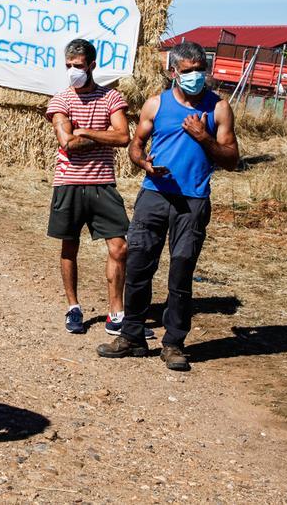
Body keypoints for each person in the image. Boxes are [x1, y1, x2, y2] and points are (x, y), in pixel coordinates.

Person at [97, 42, 239, 371]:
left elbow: (232, 159)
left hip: (193, 200)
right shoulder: (156, 104)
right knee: (138, 266)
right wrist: (143, 163)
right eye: (188, 71)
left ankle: (174, 343)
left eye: (199, 69)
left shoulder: (219, 108)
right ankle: (131, 337)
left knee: (182, 270)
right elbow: (135, 145)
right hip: (154, 195)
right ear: (173, 72)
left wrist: (204, 137)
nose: (195, 76)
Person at [46, 38, 137, 336]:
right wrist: (102, 133)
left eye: (79, 65)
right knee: (69, 246)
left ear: (92, 65)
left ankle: (116, 312)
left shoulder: (111, 97)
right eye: (68, 65)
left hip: (103, 183)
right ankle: (73, 307)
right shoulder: (60, 100)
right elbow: (67, 143)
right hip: (69, 182)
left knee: (119, 247)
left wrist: (83, 130)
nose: (73, 71)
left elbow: (123, 137)